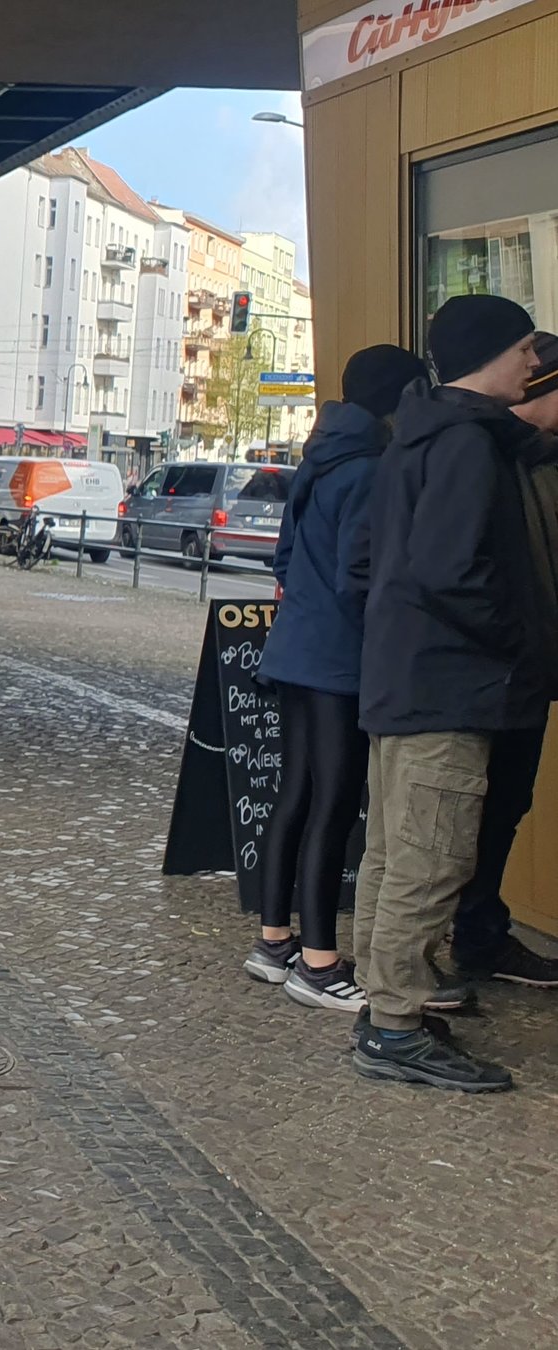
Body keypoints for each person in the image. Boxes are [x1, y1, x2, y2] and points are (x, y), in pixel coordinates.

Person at [347, 295, 548, 1092]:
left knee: (395, 857)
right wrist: (517, 643)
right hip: (447, 686)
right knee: (429, 861)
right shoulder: (466, 445)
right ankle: (394, 1029)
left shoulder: (417, 435)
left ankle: (384, 1006)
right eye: (528, 349)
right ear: (493, 352)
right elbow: (451, 573)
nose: (535, 364)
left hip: (404, 680)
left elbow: (380, 563)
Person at [247, 344, 425, 1011]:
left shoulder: (318, 455)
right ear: (398, 396)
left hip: (293, 650)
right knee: (335, 803)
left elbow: (287, 559)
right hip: (337, 661)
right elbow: (362, 576)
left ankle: (273, 943)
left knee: (293, 794)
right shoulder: (374, 469)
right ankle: (318, 964)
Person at [446, 333, 558, 995]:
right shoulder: (482, 454)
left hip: (530, 666)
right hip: (486, 668)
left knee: (507, 804)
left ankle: (481, 933)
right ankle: (451, 944)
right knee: (465, 814)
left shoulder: (539, 459)